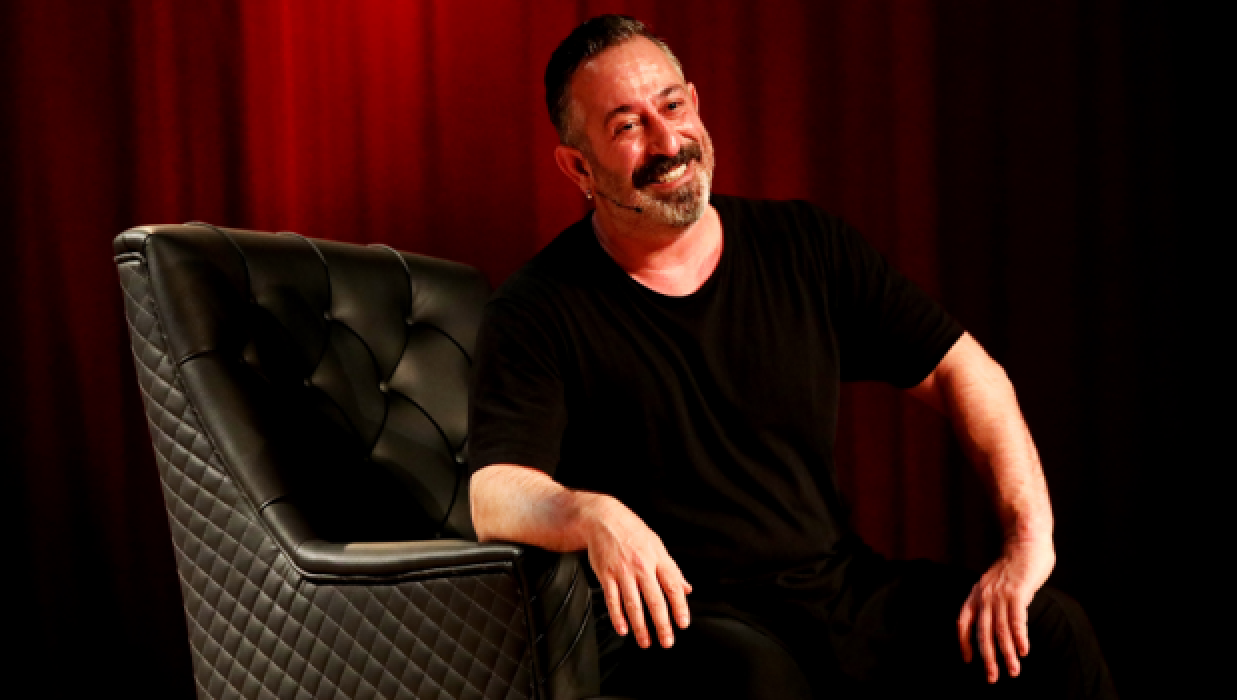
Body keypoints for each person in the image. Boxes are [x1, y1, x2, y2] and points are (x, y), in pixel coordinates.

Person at [467, 15, 1115, 699]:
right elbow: (494, 492)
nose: (667, 142)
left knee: (1051, 632)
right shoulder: (537, 306)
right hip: (687, 621)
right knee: (758, 679)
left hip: (839, 594)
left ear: (695, 104)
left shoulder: (804, 245)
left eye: (673, 106)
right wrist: (593, 514)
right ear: (578, 166)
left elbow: (967, 371)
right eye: (627, 126)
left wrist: (1028, 542)